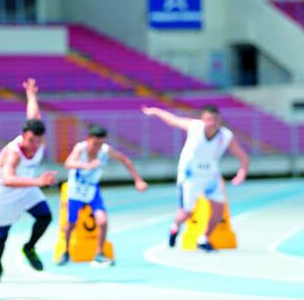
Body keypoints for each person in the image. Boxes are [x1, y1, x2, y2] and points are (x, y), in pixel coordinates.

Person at [141, 104, 249, 251]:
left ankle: (204, 238)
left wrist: (242, 172)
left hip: (211, 175)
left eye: (215, 119)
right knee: (187, 212)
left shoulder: (226, 136)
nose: (211, 123)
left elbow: (242, 156)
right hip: (190, 175)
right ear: (202, 120)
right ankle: (175, 227)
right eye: (208, 119)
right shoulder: (194, 127)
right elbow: (173, 120)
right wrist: (155, 111)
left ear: (219, 120)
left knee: (218, 209)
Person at [0, 78, 57, 283]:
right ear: (23, 135)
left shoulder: (37, 138)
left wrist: (31, 95)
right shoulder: (14, 152)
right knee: (2, 234)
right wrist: (39, 182)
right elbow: (8, 179)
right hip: (2, 192)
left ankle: (29, 247)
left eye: (38, 140)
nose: (34, 146)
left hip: (25, 185)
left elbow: (34, 116)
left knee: (45, 216)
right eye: (31, 141)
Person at [58, 124, 148, 267]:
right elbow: (68, 163)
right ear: (88, 139)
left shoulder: (105, 151)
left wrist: (138, 180)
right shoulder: (80, 148)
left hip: (93, 191)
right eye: (95, 144)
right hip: (75, 192)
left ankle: (99, 253)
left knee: (103, 221)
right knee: (71, 224)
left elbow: (125, 160)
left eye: (100, 144)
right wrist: (85, 165)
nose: (97, 147)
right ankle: (66, 251)